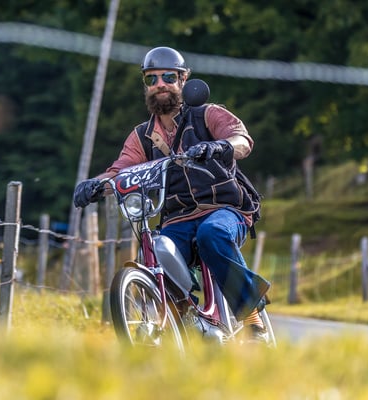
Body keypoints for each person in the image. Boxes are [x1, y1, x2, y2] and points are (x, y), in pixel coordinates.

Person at [73, 46, 270, 343]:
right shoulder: (142, 136)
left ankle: (253, 319)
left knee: (212, 234)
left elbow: (241, 139)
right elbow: (120, 170)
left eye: (167, 77)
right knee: (157, 250)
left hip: (225, 209)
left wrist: (220, 146)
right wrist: (94, 184)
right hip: (177, 218)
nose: (160, 84)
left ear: (183, 79)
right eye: (151, 79)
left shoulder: (207, 115)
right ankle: (184, 320)